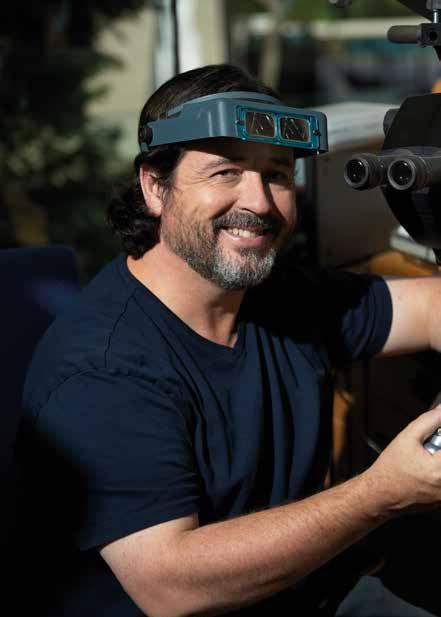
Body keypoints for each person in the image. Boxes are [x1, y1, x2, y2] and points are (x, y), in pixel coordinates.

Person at [15, 63, 441, 617]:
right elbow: (171, 586)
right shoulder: (102, 368)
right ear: (155, 187)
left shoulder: (276, 297)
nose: (259, 202)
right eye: (226, 172)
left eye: (277, 174)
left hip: (305, 589)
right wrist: (379, 494)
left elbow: (429, 306)